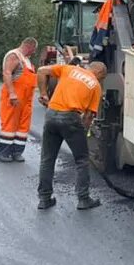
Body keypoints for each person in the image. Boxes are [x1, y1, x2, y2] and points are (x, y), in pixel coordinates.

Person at [34, 61, 107, 211]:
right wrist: (83, 134)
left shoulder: (69, 69)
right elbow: (88, 117)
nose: (101, 80)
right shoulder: (95, 85)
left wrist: (43, 94)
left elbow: (41, 71)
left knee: (47, 159)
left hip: (51, 114)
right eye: (102, 78)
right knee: (82, 160)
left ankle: (44, 199)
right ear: (99, 73)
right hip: (71, 119)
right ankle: (83, 199)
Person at [0, 37, 38, 163]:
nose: (34, 52)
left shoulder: (27, 60)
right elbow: (7, 73)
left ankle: (17, 152)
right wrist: (12, 93)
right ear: (29, 46)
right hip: (15, 96)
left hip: (26, 99)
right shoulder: (14, 55)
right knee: (9, 123)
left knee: (23, 126)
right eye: (33, 49)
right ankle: (4, 152)